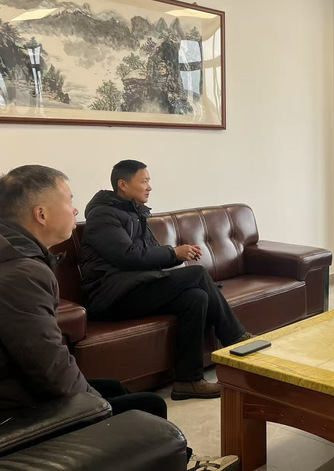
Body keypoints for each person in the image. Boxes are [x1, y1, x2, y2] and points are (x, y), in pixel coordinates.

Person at [0, 165, 237, 471]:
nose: (75, 210)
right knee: (149, 404)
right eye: (69, 201)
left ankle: (188, 386)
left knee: (194, 298)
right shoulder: (22, 273)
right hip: (18, 404)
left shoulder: (17, 257)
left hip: (18, 387)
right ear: (41, 214)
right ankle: (237, 345)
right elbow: (49, 367)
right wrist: (95, 404)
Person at [80, 160, 251, 401]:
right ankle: (236, 339)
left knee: (196, 297)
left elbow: (148, 256)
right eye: (144, 181)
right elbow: (127, 256)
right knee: (197, 274)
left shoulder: (134, 213)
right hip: (111, 296)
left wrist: (178, 254)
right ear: (123, 184)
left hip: (134, 287)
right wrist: (174, 253)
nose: (149, 187)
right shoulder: (103, 215)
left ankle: (188, 381)